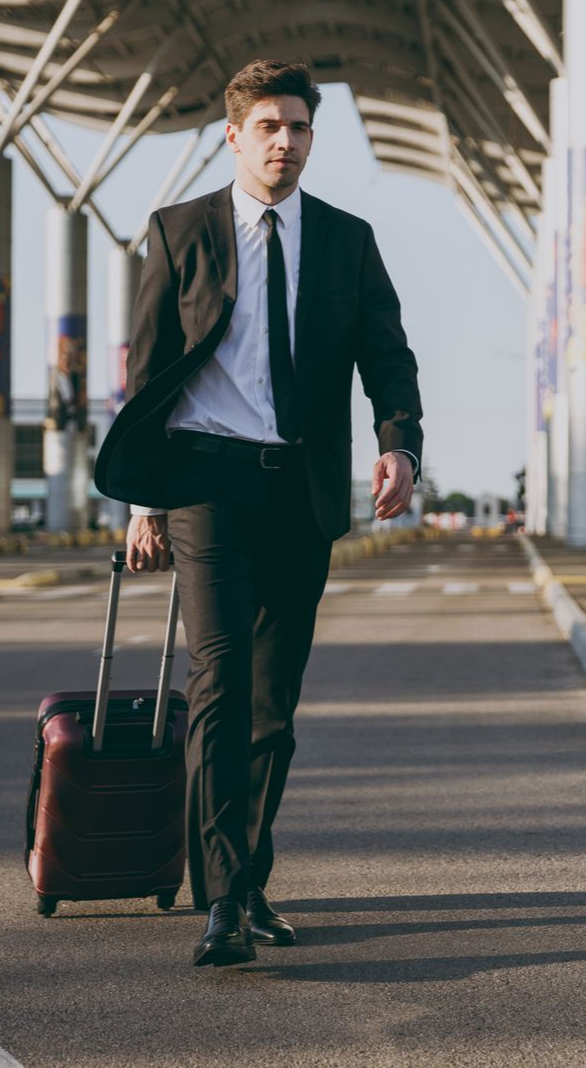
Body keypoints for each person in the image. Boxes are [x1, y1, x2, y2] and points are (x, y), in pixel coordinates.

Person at [95, 60, 423, 967]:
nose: (286, 142)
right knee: (220, 682)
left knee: (273, 707)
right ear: (234, 136)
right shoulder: (180, 230)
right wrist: (144, 499)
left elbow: (388, 355)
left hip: (300, 485)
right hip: (204, 482)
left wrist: (398, 444)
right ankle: (224, 900)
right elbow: (150, 370)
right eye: (269, 127)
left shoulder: (348, 242)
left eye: (300, 128)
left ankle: (249, 884)